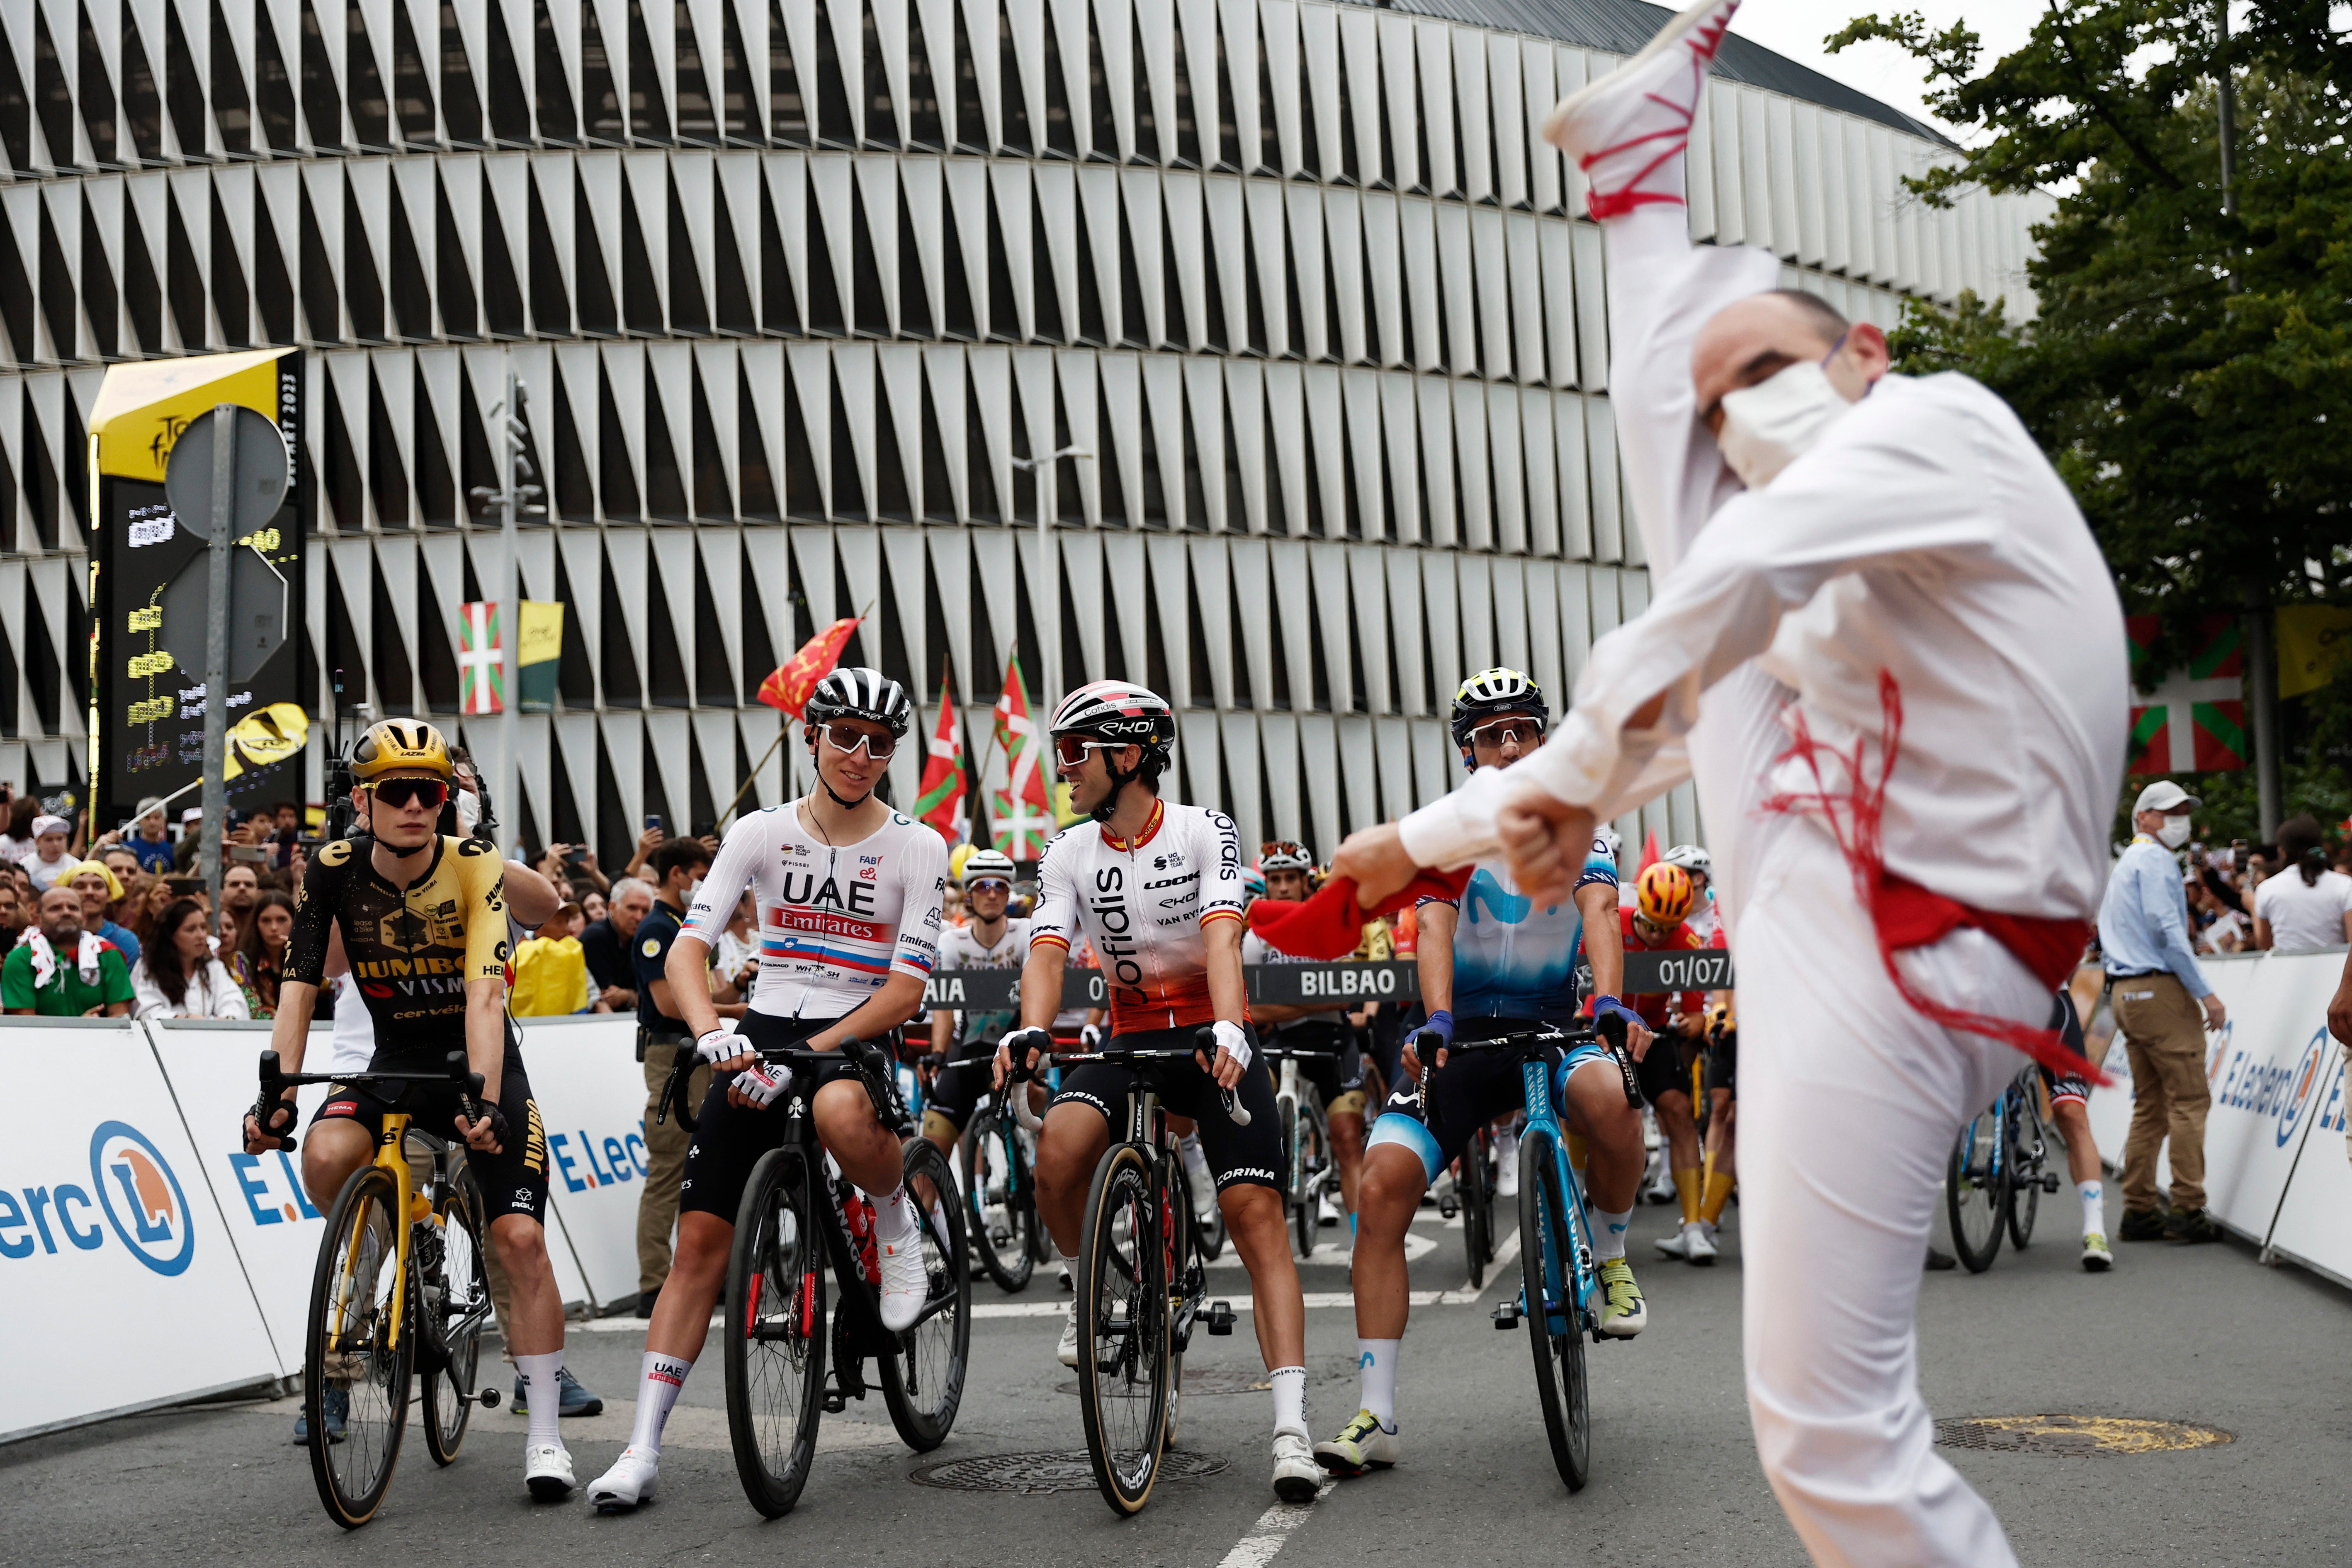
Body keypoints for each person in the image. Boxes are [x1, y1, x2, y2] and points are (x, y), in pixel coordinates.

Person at [1331, 10, 2129, 1560]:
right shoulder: (1787, 598)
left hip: (1929, 946)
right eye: (1717, 400)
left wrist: (1531, 789)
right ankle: (1636, 188)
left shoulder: (1938, 428)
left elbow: (1731, 579)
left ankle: (1641, 194)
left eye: (1764, 370)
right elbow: (1677, 677)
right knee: (1693, 562)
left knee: (1828, 1432)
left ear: (1862, 352)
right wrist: (1421, 842)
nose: (1732, 416)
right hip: (1846, 925)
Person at [588, 669, 944, 1512]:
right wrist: (712, 1033)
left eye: (881, 742)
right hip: (763, 1027)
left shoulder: (918, 845)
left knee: (834, 1106)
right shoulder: (759, 830)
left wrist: (808, 1053)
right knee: (700, 1247)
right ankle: (642, 1448)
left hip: (853, 1029)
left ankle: (895, 1225)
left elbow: (905, 991)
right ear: (814, 735)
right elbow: (685, 950)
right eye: (847, 735)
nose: (862, 755)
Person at [1314, 667, 1650, 1480]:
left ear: (1542, 739)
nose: (1507, 746)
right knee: (1382, 1185)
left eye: (1522, 731)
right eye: (1490, 735)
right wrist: (1432, 1020)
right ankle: (1376, 1411)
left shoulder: (1578, 821)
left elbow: (1601, 913)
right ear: (1466, 751)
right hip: (1460, 1034)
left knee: (1607, 1095)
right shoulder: (1443, 832)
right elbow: (1431, 930)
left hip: (1554, 1023)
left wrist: (1608, 1001)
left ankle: (1608, 1255)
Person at [987, 680, 1318, 1502]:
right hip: (1131, 1040)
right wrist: (1032, 1031)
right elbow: (1048, 950)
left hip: (1208, 1036)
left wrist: (1233, 1027)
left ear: (1127, 756)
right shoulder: (1069, 850)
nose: (1063, 767)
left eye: (1075, 752)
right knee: (1059, 1152)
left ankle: (1291, 1428)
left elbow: (1220, 937)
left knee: (1254, 1216)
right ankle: (1095, 1285)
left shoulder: (1207, 830)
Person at [243, 718, 582, 1500]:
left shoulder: (472, 861)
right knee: (326, 1158)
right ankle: (420, 1229)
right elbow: (300, 984)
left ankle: (544, 1435)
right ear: (363, 802)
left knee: (519, 1238)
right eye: (395, 792)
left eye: (428, 792)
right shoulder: (332, 866)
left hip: (473, 1062)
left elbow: (487, 992)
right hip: (391, 1061)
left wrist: (490, 1102)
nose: (414, 806)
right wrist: (276, 1095)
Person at [2101, 780, 2226, 1245]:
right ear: (2144, 817)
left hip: (2125, 993)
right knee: (2189, 1101)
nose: (2179, 819)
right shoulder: (2154, 860)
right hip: (2158, 990)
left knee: (2149, 1105)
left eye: (2181, 811)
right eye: (2168, 811)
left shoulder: (2126, 863)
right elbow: (2167, 928)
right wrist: (2206, 993)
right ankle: (2187, 1208)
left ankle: (2138, 1209)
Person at [1241, 840, 1376, 1228]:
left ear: (1306, 883)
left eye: (1291, 879)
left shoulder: (1327, 926)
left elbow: (1347, 993)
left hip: (1332, 1040)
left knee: (1348, 1137)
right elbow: (1244, 1002)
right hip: (1279, 1041)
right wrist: (1310, 1001)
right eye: (1275, 880)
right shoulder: (1255, 938)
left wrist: (1281, 1005)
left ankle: (1360, 1242)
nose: (1283, 887)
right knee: (1249, 1118)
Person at [627, 836, 724, 1319]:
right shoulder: (656, 929)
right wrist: (732, 1010)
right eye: (700, 875)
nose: (704, 884)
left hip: (697, 1052)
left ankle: (698, 1273)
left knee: (700, 1166)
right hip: (673, 1055)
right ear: (678, 874)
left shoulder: (684, 926)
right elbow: (669, 1004)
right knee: (667, 1167)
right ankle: (653, 1282)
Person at [1619, 861, 1718, 1262]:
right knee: (1585, 1113)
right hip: (1606, 1030)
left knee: (1679, 1111)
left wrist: (1695, 1024)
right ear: (1638, 908)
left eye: (1667, 928)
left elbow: (1695, 1014)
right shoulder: (1612, 922)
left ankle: (1692, 1227)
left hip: (1654, 1031)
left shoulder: (1687, 940)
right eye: (1650, 926)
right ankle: (1577, 1215)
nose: (1658, 935)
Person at [920, 848, 1030, 1168]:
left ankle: (1035, 1164)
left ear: (1009, 893)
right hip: (968, 1047)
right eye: (983, 886)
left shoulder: (1025, 933)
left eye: (1001, 887)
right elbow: (944, 1006)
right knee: (929, 1156)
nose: (992, 894)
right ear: (970, 895)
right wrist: (939, 1053)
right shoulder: (952, 942)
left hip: (1017, 1047)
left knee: (1043, 1109)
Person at [3, 884, 136, 1016]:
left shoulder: (109, 955)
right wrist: (79, 1028)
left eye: (73, 908)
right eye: (55, 909)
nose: (66, 913)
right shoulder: (21, 958)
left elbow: (120, 1019)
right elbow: (24, 1025)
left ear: (84, 919)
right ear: (38, 920)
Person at [131, 897, 249, 1019]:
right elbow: (146, 1011)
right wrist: (184, 1019)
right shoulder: (148, 966)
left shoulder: (213, 966)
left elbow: (234, 1003)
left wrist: (226, 1019)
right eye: (191, 930)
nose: (201, 935)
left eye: (203, 928)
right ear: (170, 935)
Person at [2251, 814, 2352, 953]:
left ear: (2282, 852)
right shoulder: (2345, 885)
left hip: (2285, 971)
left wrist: (2252, 908)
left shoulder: (2266, 889)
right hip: (2335, 970)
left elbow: (2264, 945)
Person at [511, 904, 595, 1017]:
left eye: (567, 921)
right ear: (537, 927)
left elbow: (591, 991)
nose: (568, 929)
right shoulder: (522, 954)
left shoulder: (573, 952)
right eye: (559, 923)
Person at [583, 877, 653, 1012]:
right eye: (632, 908)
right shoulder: (596, 937)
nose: (639, 917)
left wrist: (628, 996)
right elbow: (608, 997)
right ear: (613, 907)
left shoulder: (644, 938)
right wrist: (633, 996)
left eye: (645, 911)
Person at [229, 889, 295, 1017]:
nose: (274, 927)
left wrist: (300, 958)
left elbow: (327, 988)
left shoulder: (304, 958)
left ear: (294, 922)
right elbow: (253, 1011)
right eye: (266, 921)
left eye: (282, 920)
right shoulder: (240, 961)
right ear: (256, 924)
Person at [64, 861, 141, 966]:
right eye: (80, 887)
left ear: (109, 895)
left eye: (98, 886)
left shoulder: (125, 940)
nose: (90, 892)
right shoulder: (53, 936)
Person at [1661, 843, 1721, 945]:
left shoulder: (1722, 916)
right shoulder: (1664, 918)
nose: (1668, 881)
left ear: (1698, 879)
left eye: (1675, 875)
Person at [19, 813, 77, 892]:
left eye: (60, 839)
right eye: (49, 840)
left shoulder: (76, 866)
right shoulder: (24, 866)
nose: (55, 844)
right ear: (37, 842)